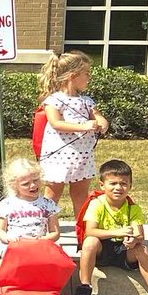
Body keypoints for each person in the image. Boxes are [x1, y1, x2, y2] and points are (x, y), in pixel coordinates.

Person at [74, 159, 148, 295]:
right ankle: (85, 286)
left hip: (123, 250)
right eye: (113, 183)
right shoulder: (97, 203)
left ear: (130, 186)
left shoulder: (133, 208)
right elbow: (90, 231)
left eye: (124, 183)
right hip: (101, 250)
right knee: (90, 241)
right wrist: (117, 232)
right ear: (102, 185)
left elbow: (140, 235)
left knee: (142, 249)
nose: (118, 187)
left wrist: (133, 240)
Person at [38, 51, 108, 218]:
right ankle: (44, 227)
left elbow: (98, 116)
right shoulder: (54, 100)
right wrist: (83, 126)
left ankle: (82, 232)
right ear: (73, 76)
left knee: (81, 195)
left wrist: (101, 124)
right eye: (86, 74)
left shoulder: (87, 101)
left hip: (82, 156)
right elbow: (56, 123)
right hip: (59, 156)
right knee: (53, 193)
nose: (89, 77)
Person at [0, 157, 60, 246]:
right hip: (14, 245)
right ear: (14, 185)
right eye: (26, 184)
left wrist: (44, 239)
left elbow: (55, 233)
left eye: (36, 180)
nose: (33, 185)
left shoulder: (48, 204)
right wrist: (7, 238)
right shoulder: (6, 204)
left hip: (39, 245)